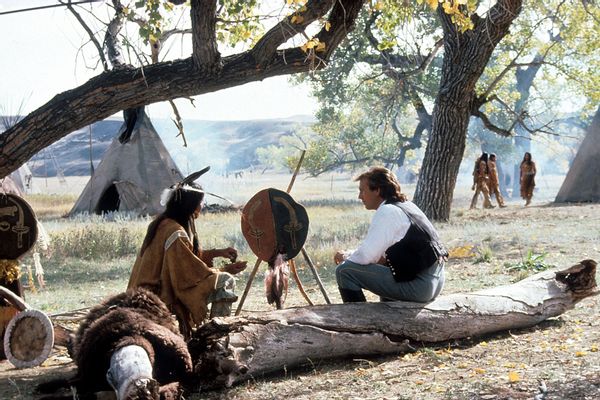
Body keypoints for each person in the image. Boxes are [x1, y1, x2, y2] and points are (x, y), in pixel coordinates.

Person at [127, 168, 247, 338]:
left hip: (140, 292)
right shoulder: (175, 232)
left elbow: (185, 258)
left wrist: (216, 253)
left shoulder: (163, 223)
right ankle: (215, 338)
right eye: (200, 202)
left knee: (221, 278)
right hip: (155, 295)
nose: (201, 206)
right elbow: (188, 275)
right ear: (190, 206)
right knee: (225, 281)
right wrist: (225, 271)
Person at [334, 167, 446, 303]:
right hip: (434, 282)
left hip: (420, 286)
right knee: (386, 263)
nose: (360, 196)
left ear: (377, 190)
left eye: (362, 190)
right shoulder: (407, 206)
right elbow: (380, 256)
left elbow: (366, 256)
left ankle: (359, 320)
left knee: (344, 271)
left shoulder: (387, 211)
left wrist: (345, 256)